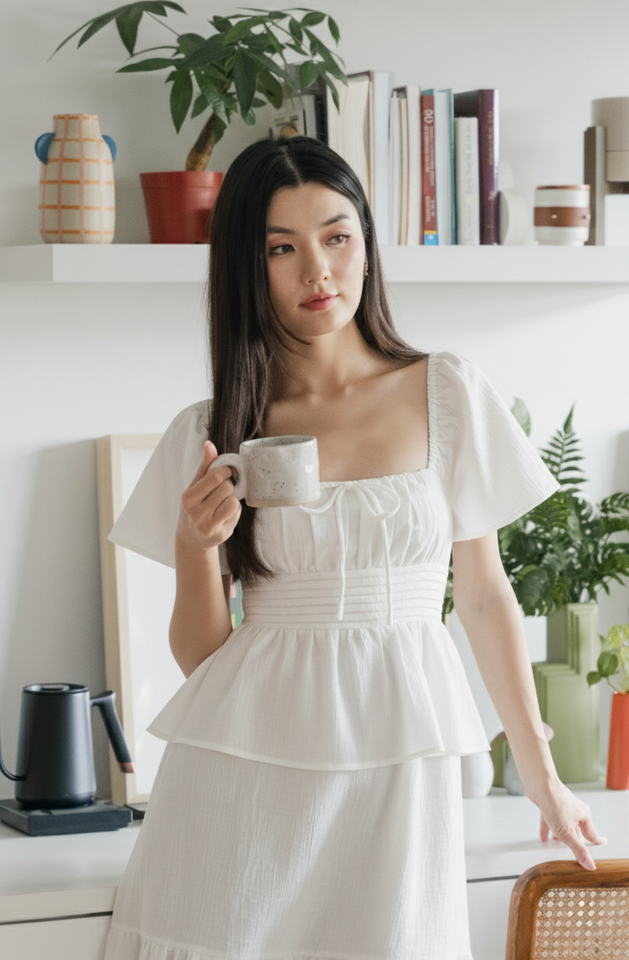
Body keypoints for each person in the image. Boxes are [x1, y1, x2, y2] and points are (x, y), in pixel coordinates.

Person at [104, 136, 604, 960]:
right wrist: (196, 548)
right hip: (240, 786)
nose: (317, 272)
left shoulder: (445, 392)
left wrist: (543, 773)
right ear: (245, 265)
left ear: (367, 245)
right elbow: (205, 661)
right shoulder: (209, 431)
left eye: (337, 237)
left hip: (399, 754)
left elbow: (482, 596)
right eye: (282, 248)